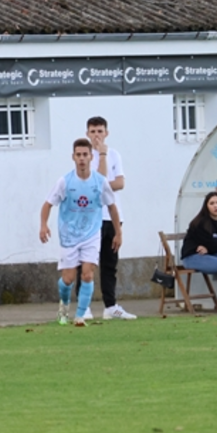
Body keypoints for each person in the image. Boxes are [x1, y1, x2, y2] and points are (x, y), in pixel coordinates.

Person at [40, 138, 123, 327]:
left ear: (91, 157)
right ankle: (64, 305)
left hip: (91, 235)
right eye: (78, 155)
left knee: (87, 274)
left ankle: (79, 316)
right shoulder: (65, 182)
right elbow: (47, 204)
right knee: (68, 279)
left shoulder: (100, 182)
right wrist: (43, 225)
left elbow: (112, 208)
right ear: (73, 157)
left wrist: (119, 232)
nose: (82, 159)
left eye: (85, 155)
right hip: (69, 235)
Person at [76, 117, 136, 320]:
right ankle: (83, 306)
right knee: (86, 263)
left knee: (110, 263)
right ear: (87, 133)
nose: (96, 135)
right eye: (92, 131)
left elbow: (120, 183)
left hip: (111, 216)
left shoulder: (114, 155)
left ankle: (111, 306)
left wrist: (104, 184)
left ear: (106, 133)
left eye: (100, 131)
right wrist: (100, 156)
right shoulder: (84, 156)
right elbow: (97, 182)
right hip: (91, 217)